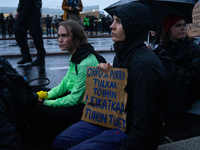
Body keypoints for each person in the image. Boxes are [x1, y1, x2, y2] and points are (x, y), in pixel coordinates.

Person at [53, 3, 166, 150]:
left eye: (118, 21)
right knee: (60, 141)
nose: (111, 26)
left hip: (129, 129)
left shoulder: (145, 65)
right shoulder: (121, 55)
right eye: (113, 20)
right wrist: (107, 74)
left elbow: (145, 125)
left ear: (132, 25)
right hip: (113, 119)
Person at [29, 20, 106, 148]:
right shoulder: (75, 56)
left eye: (64, 36)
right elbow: (64, 85)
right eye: (59, 35)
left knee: (42, 113)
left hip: (86, 108)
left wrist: (47, 103)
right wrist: (45, 95)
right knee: (39, 94)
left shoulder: (85, 62)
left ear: (76, 37)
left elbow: (75, 99)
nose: (59, 40)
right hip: (76, 101)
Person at [160, 13, 200, 113]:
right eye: (178, 25)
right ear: (168, 29)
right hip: (165, 103)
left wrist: (173, 68)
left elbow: (193, 76)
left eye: (184, 25)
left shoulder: (193, 49)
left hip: (186, 104)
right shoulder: (161, 50)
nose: (183, 28)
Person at [14, 0, 46, 66]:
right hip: (23, 10)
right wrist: (18, 11)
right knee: (18, 31)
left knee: (36, 33)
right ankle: (26, 56)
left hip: (33, 10)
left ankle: (40, 57)